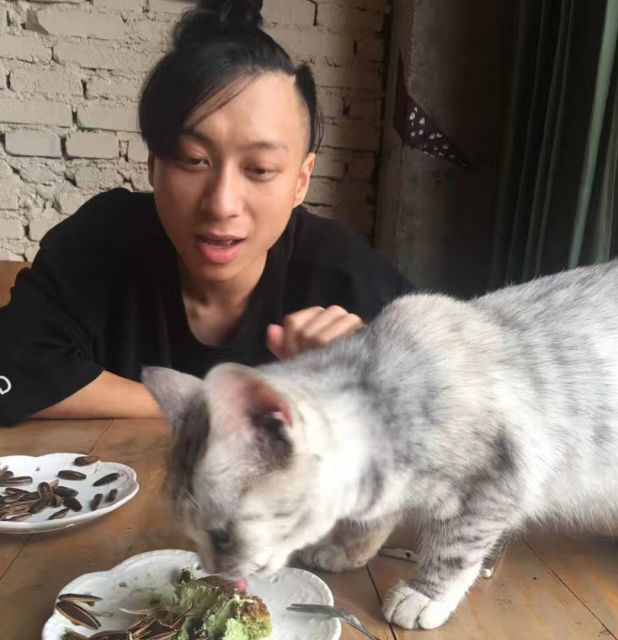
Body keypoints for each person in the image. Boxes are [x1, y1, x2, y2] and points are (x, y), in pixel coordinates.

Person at [0, 0, 412, 426]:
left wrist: (371, 372)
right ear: (153, 166)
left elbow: (447, 391)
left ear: (301, 181)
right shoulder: (102, 240)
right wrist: (208, 403)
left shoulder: (341, 272)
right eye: (194, 160)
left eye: (260, 169)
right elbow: (11, 364)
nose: (221, 203)